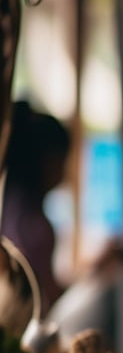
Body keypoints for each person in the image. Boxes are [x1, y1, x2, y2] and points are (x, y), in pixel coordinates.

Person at [1, 101, 69, 313]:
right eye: (62, 160)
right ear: (47, 160)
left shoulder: (14, 208)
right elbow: (46, 298)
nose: (64, 171)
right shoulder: (30, 225)